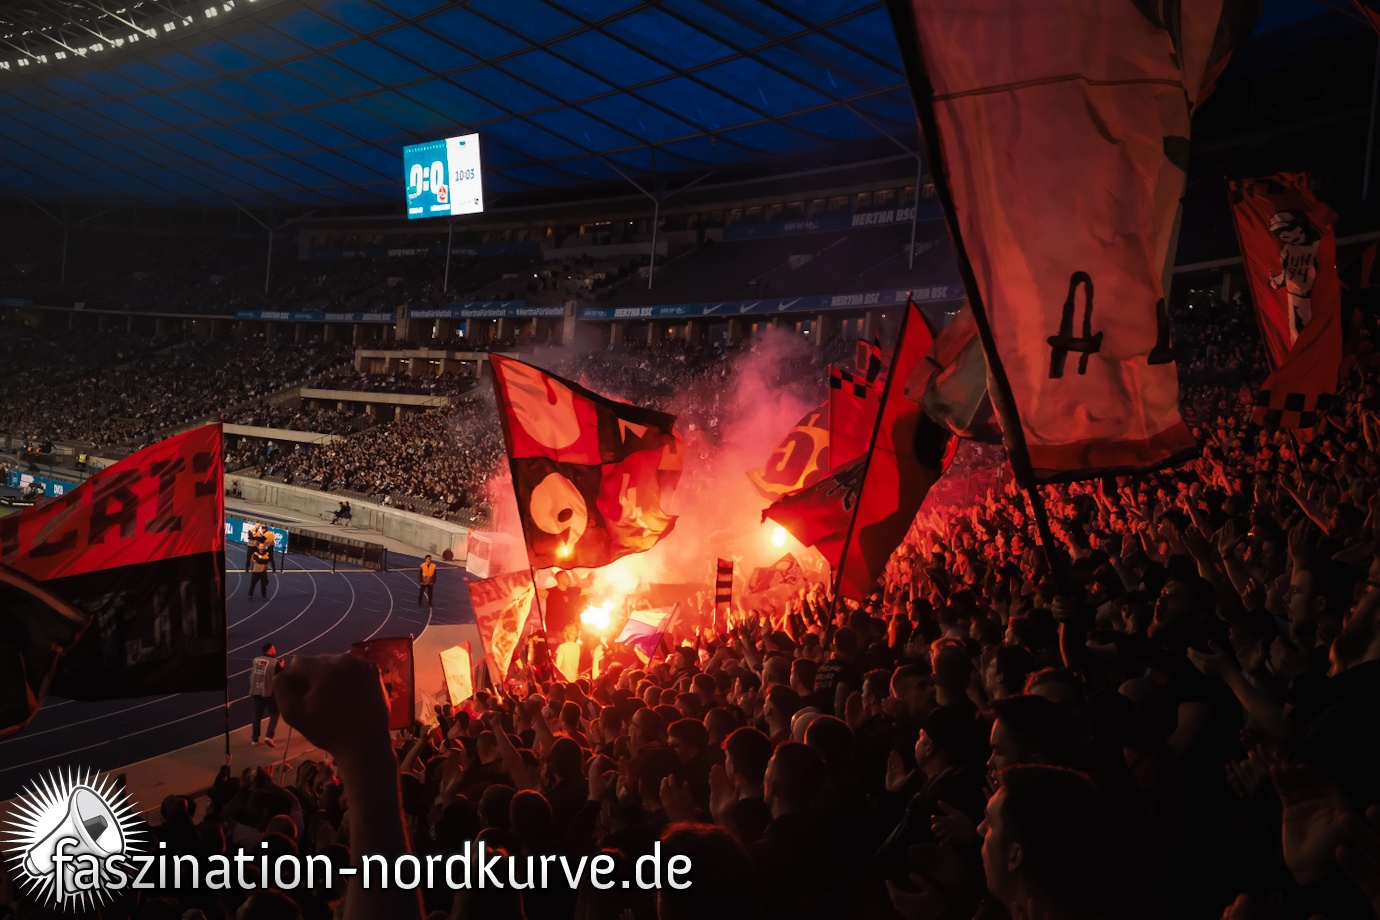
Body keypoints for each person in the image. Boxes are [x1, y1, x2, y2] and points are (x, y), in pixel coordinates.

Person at [250, 643, 284, 747]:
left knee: (257, 715)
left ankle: (254, 739)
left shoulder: (256, 660)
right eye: (274, 648)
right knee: (274, 714)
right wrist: (281, 666)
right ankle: (269, 736)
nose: (275, 650)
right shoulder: (275, 663)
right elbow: (280, 677)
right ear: (270, 650)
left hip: (257, 691)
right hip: (269, 692)